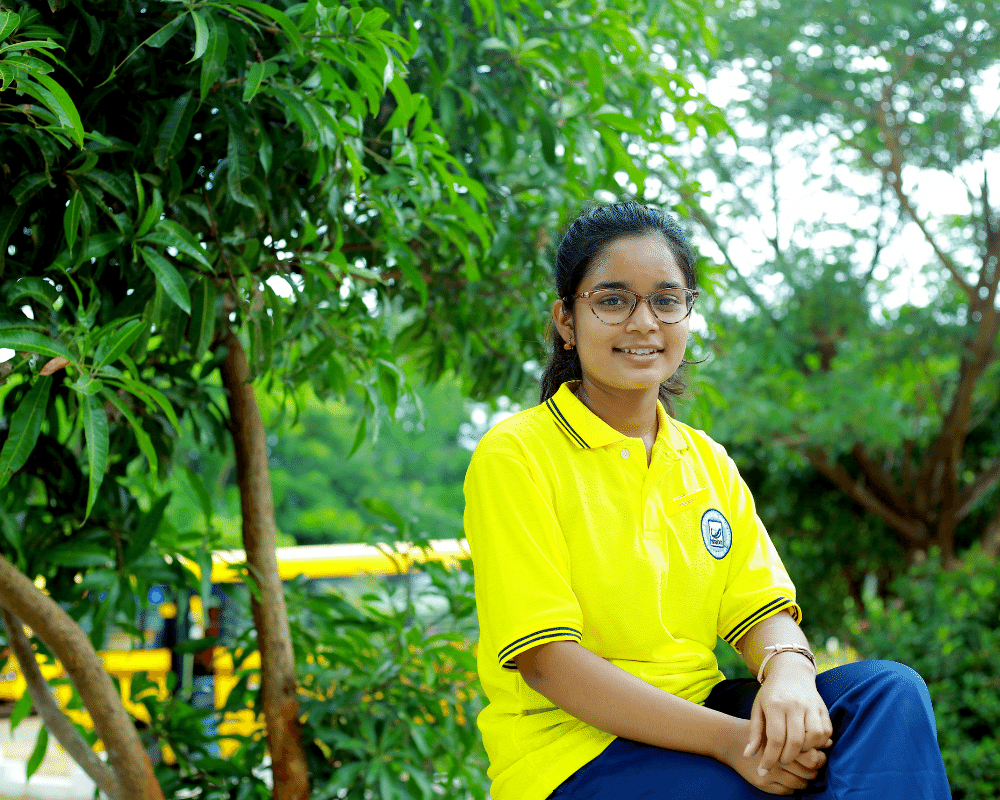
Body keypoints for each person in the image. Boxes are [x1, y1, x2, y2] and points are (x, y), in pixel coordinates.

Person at [462, 200, 951, 800]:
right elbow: (547, 663)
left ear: (687, 312)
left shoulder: (706, 461)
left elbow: (761, 609)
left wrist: (790, 676)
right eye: (613, 301)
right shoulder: (517, 454)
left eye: (666, 300)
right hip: (576, 751)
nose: (644, 323)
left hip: (706, 711)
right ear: (567, 320)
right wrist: (732, 743)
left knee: (888, 695)